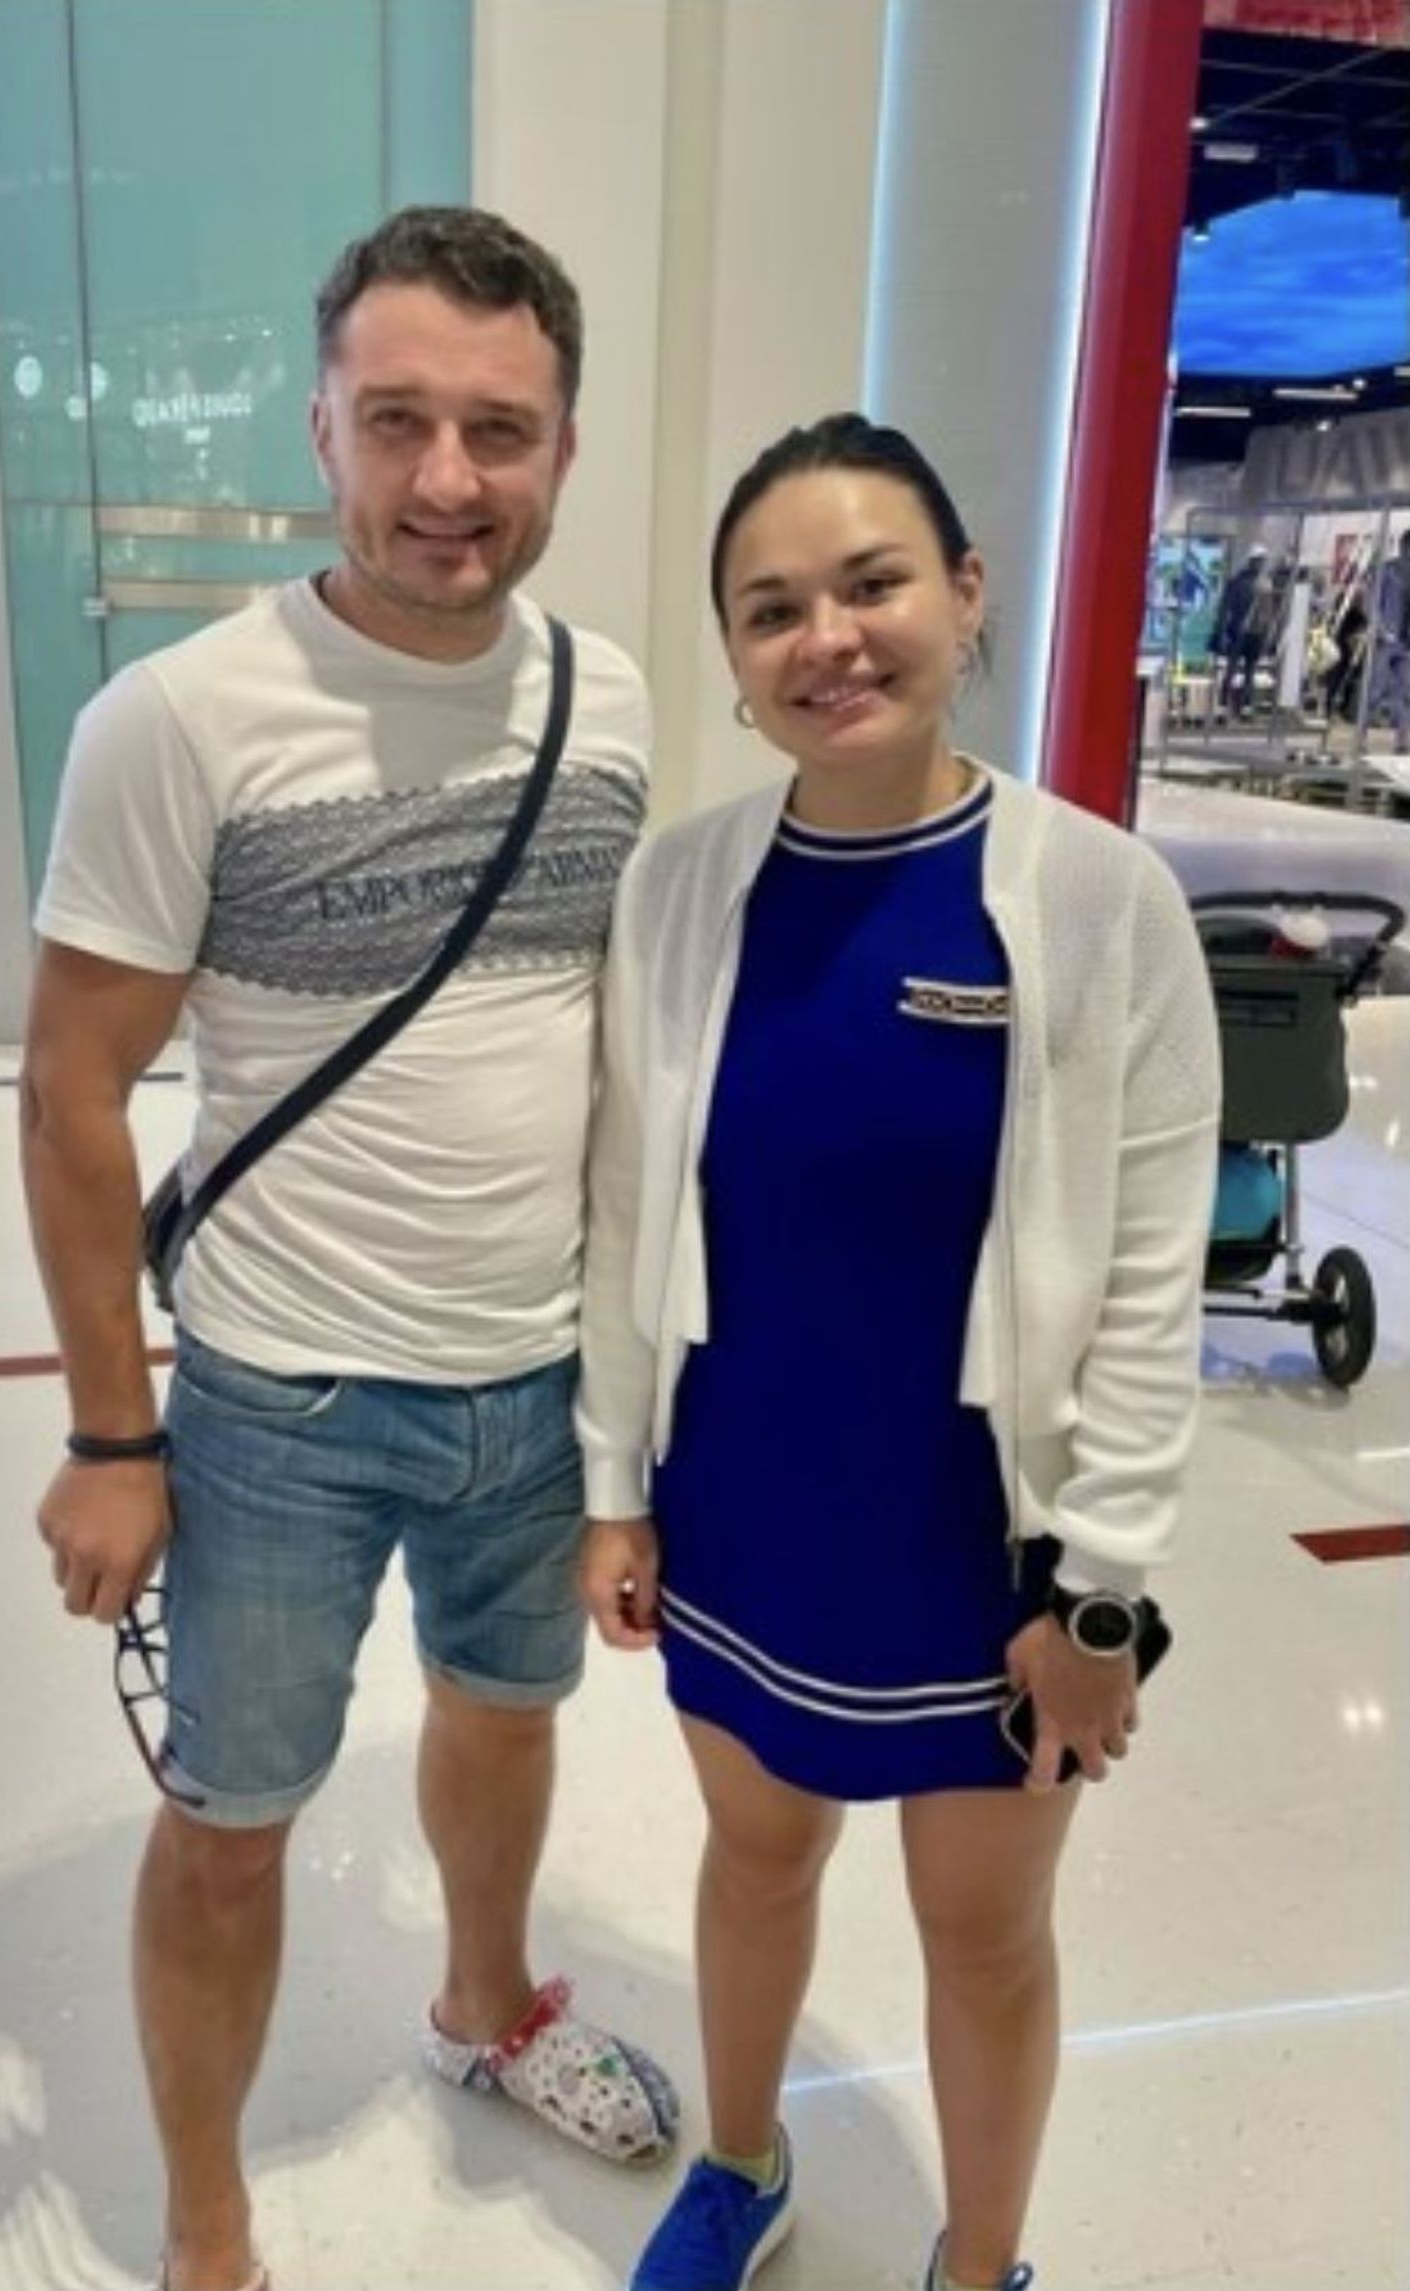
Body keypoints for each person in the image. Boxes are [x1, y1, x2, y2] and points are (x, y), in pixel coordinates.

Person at [21, 205, 677, 2291]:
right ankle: (206, 2219)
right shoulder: (181, 716)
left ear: (565, 445)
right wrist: (112, 1435)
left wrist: (630, 1405)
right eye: (395, 420)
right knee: (230, 1822)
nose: (445, 478)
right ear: (320, 426)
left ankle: (484, 2004)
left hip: (532, 1384)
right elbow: (70, 1092)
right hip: (276, 1401)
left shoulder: (608, 702)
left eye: (498, 428)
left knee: (503, 1714)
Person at [577, 413, 1220, 2291]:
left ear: (965, 590)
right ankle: (741, 2165)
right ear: (732, 652)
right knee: (755, 1861)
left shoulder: (1096, 899)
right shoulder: (682, 887)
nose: (827, 638)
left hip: (983, 1556)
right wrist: (614, 1484)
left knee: (985, 1936)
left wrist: (1099, 1592)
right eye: (772, 608)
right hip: (741, 1506)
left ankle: (979, 2262)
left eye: (871, 583)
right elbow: (626, 1202)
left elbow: (1151, 1276)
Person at [1363, 528, 1410, 748]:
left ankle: (1402, 740)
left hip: (1406, 641)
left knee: (1405, 692)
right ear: (1403, 547)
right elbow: (1370, 603)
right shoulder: (1386, 570)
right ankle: (1361, 736)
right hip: (1386, 639)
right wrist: (1380, 629)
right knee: (1375, 690)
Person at [1214, 540, 1266, 717]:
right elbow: (1226, 607)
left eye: (1262, 561)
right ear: (1252, 561)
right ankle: (1224, 705)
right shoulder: (1239, 581)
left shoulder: (1261, 583)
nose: (1260, 564)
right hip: (1239, 631)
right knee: (1234, 668)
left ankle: (1243, 705)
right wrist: (1222, 631)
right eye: (1258, 560)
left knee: (1248, 671)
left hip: (1252, 632)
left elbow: (1266, 611)